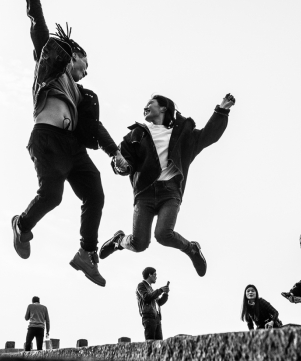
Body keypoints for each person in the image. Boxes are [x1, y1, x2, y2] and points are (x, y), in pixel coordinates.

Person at [12, 0, 130, 287]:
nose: (86, 71)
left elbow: (94, 127)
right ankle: (22, 225)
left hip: (73, 148)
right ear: (75, 55)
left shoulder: (84, 96)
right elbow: (40, 33)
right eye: (85, 63)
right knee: (52, 195)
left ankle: (87, 254)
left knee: (95, 192)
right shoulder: (53, 63)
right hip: (47, 138)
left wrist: (113, 152)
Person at [99, 93, 236, 276]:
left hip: (170, 193)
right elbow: (123, 161)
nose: (145, 107)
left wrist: (222, 110)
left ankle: (191, 249)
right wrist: (120, 167)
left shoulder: (182, 135)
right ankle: (119, 240)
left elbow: (207, 136)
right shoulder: (135, 135)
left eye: (150, 103)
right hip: (145, 194)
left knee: (163, 234)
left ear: (163, 108)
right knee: (139, 244)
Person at [136, 267, 169, 341]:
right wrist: (160, 290)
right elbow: (146, 297)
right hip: (148, 317)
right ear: (150, 275)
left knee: (160, 344)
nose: (156, 277)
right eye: (155, 274)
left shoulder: (151, 289)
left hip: (157, 318)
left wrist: (165, 294)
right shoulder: (141, 285)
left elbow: (159, 302)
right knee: (150, 345)